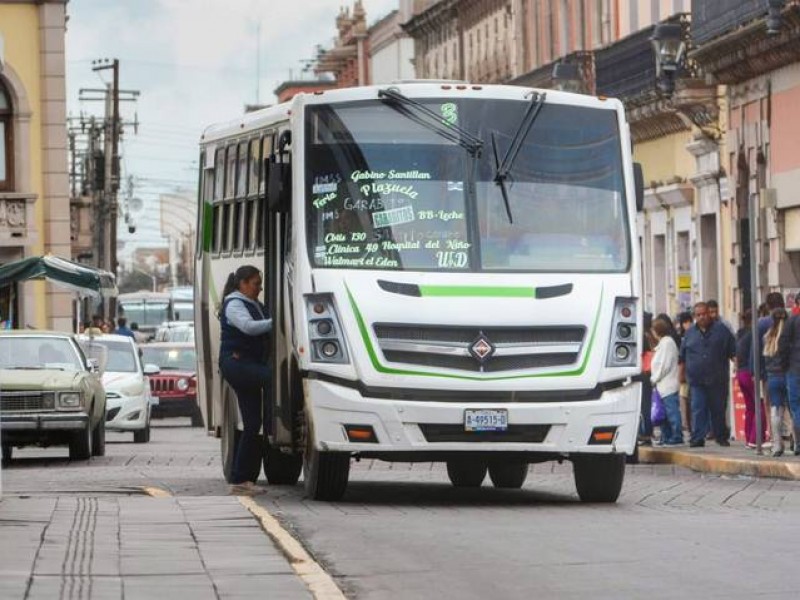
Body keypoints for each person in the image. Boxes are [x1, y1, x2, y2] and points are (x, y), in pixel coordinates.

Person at [218, 265, 272, 496]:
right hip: (237, 364)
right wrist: (276, 321)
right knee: (273, 380)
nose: (259, 289)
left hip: (249, 364)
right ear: (242, 283)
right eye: (255, 284)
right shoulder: (235, 304)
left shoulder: (255, 304)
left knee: (252, 425)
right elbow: (249, 328)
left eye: (260, 284)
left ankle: (242, 480)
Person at [679, 301, 736, 447]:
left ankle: (720, 436)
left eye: (704, 314)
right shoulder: (690, 333)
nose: (702, 317)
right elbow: (683, 356)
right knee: (698, 408)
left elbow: (733, 352)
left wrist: (738, 366)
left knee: (718, 408)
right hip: (696, 379)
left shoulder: (722, 330)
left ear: (709, 314)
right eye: (698, 315)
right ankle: (697, 437)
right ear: (694, 317)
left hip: (717, 378)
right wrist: (681, 375)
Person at [735, 309, 766, 449]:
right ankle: (756, 439)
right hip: (750, 373)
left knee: (750, 408)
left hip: (740, 373)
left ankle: (749, 438)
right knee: (760, 406)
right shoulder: (753, 334)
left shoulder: (740, 333)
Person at [763, 308, 791, 456]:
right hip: (787, 375)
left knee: (776, 410)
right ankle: (796, 441)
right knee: (793, 410)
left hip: (772, 377)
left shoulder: (767, 337)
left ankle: (777, 444)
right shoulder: (788, 337)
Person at [651, 317, 683, 445]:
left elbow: (664, 365)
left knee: (672, 412)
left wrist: (654, 378)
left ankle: (676, 436)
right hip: (662, 386)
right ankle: (666, 436)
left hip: (667, 385)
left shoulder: (667, 343)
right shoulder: (662, 344)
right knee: (663, 413)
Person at [777, 307, 800, 456]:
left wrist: (784, 365)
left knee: (796, 406)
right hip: (793, 368)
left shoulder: (792, 322)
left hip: (794, 369)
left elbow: (783, 346)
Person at [676, 311, 694, 433]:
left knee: (690, 400)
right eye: (685, 322)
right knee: (684, 399)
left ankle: (689, 424)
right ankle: (686, 423)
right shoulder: (681, 337)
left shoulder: (691, 335)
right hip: (685, 373)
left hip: (691, 372)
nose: (687, 324)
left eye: (688, 322)